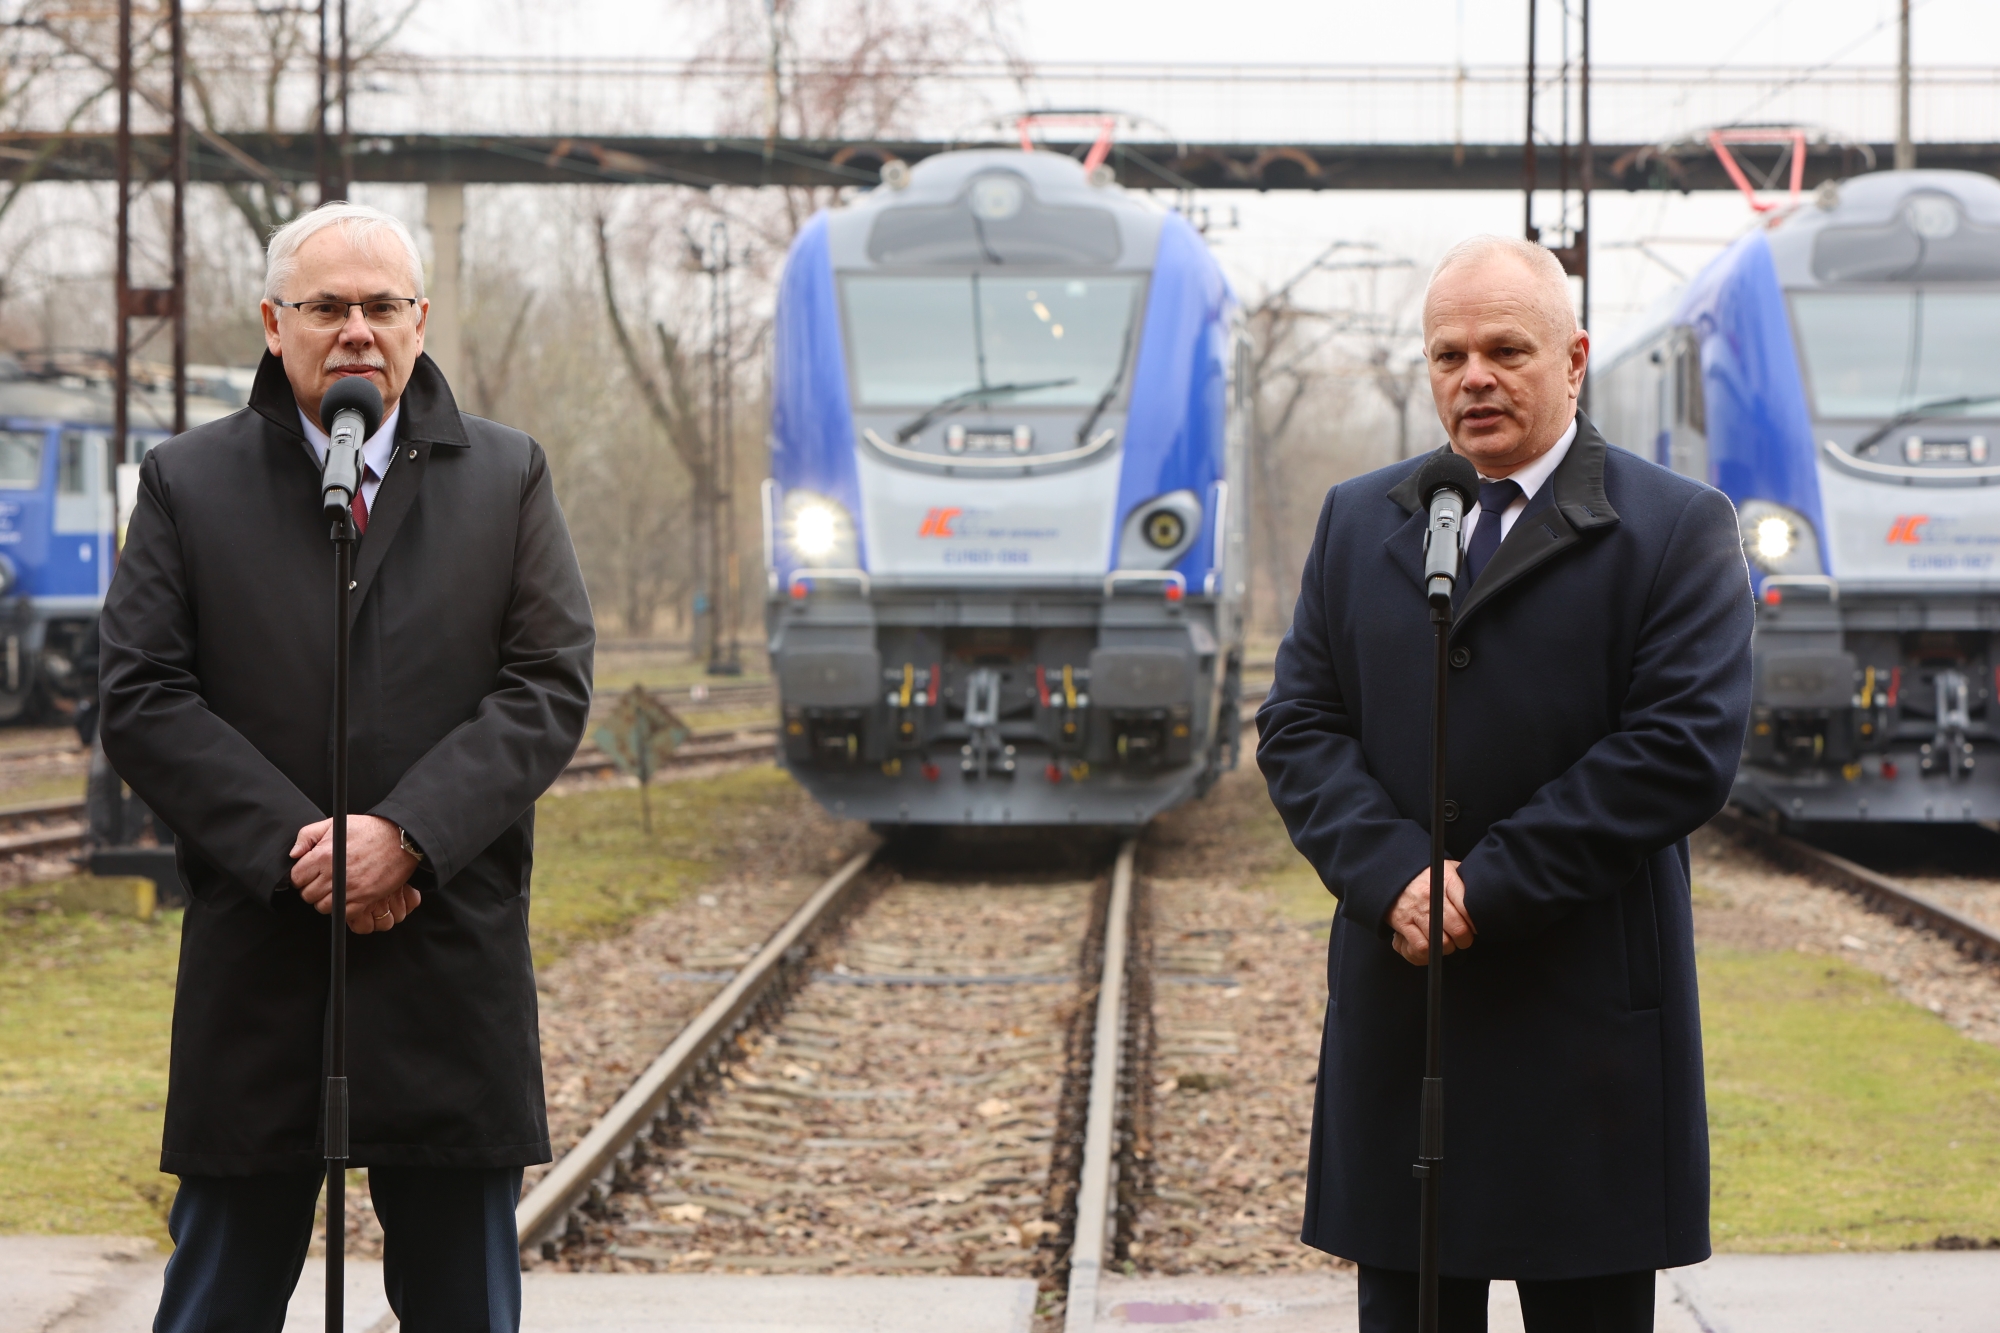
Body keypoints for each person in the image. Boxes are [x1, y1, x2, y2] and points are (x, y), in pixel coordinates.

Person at [100, 201, 594, 1332]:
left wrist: (406, 837)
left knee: (464, 1305)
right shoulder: (188, 481)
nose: (357, 329)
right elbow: (142, 694)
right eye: (327, 306)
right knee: (218, 1298)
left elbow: (547, 683)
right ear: (275, 324)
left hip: (444, 957)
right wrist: (308, 855)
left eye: (382, 305)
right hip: (263, 963)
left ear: (421, 321)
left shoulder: (507, 476)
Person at [1257, 235, 1753, 1333]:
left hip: (1586, 1040)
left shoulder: (1676, 528)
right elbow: (1298, 724)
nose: (1472, 377)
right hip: (1408, 1022)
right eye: (1448, 355)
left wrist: (1483, 889)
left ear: (1573, 360)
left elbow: (1679, 749)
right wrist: (1393, 875)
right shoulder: (1358, 521)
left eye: (1504, 350)